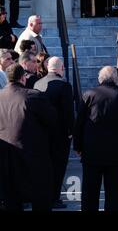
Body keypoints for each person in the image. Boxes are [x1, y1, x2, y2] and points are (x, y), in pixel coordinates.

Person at [73, 66, 118, 212]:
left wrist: (77, 146)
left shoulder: (89, 95)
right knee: (114, 193)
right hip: (117, 152)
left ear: (100, 79)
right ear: (117, 79)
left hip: (92, 152)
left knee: (90, 192)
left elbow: (79, 123)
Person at [0, 64, 56, 211]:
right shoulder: (33, 96)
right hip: (33, 158)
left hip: (6, 159)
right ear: (23, 78)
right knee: (41, 200)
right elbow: (52, 121)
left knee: (11, 201)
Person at [33, 57, 74, 209]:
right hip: (60, 134)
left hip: (42, 133)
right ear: (61, 68)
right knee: (58, 166)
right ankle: (54, 198)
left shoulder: (38, 83)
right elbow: (69, 112)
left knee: (45, 166)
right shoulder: (64, 86)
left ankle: (44, 196)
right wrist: (71, 131)